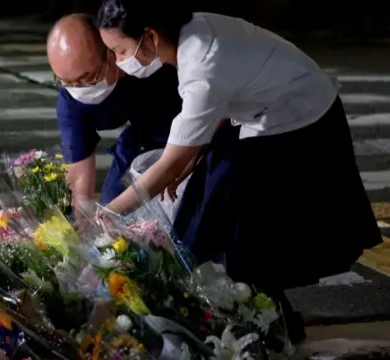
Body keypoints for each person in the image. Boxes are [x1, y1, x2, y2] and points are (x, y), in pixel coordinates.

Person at [95, 0, 382, 343]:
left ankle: (269, 327)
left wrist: (108, 212)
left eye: (120, 49)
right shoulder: (192, 35)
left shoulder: (202, 63)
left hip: (300, 122)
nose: (118, 61)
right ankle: (255, 319)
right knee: (210, 213)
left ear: (151, 36)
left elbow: (169, 161)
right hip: (264, 113)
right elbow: (212, 112)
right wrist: (189, 162)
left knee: (254, 237)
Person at [47, 13, 187, 205]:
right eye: (66, 81)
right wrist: (85, 224)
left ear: (110, 50)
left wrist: (116, 210)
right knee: (113, 201)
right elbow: (79, 179)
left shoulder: (151, 59)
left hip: (195, 133)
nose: (79, 89)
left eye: (87, 78)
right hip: (141, 140)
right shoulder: (71, 100)